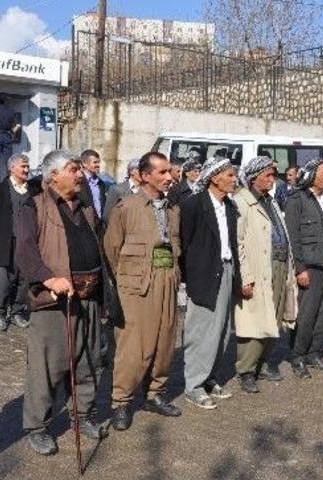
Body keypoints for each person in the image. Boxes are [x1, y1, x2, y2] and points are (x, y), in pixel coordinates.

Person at [15, 150, 107, 456]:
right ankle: (37, 426)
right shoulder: (35, 205)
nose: (80, 174)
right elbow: (26, 250)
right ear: (53, 175)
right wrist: (48, 278)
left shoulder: (86, 208)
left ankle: (82, 415)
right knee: (47, 366)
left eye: (80, 169)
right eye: (73, 169)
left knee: (87, 360)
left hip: (88, 297)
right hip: (55, 300)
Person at [105, 152, 182, 430]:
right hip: (136, 285)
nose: (169, 178)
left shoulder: (174, 210)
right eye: (161, 173)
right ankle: (121, 401)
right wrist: (126, 279)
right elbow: (112, 248)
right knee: (134, 346)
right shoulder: (127, 207)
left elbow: (175, 247)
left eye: (170, 172)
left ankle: (154, 394)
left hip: (167, 281)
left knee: (164, 342)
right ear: (145, 175)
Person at [180, 156, 239, 409]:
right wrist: (190, 278)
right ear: (214, 178)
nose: (234, 180)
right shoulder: (194, 205)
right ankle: (193, 385)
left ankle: (209, 378)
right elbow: (184, 243)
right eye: (229, 175)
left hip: (226, 269)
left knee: (222, 331)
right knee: (201, 330)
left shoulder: (229, 206)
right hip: (203, 274)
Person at [232, 156, 296, 393]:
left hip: (277, 266)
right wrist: (245, 276)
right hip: (258, 269)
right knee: (253, 321)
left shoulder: (270, 201)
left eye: (273, 175)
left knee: (274, 318)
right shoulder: (242, 201)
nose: (273, 180)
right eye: (268, 175)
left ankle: (262, 364)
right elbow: (238, 243)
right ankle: (246, 370)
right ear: (253, 178)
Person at [284, 158, 323, 377]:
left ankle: (315, 352)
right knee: (306, 314)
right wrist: (300, 268)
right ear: (312, 174)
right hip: (309, 265)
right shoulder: (297, 199)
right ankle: (297, 355)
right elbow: (293, 237)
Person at [0, 153, 39, 332]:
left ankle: (17, 312)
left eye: (27, 166)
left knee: (24, 280)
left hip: (28, 245)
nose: (27, 170)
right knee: (2, 281)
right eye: (23, 166)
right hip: (6, 244)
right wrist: (1, 233)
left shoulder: (34, 191)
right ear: (11, 168)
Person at [0, 98, 20, 182]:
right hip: (7, 136)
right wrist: (12, 133)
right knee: (9, 160)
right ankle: (9, 179)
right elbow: (18, 125)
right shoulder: (11, 111)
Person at [78, 149, 109, 220]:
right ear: (84, 164)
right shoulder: (78, 182)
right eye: (95, 162)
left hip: (99, 225)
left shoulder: (101, 183)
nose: (98, 165)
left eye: (98, 162)